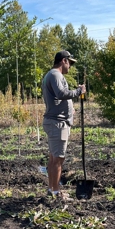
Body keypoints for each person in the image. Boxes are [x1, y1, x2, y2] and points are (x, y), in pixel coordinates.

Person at [42, 50, 86, 199]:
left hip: (57, 122)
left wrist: (69, 109)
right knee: (57, 159)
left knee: (54, 158)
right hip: (57, 124)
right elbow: (61, 93)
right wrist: (79, 91)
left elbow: (58, 97)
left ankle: (52, 189)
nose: (70, 67)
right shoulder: (55, 75)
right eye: (70, 63)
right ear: (64, 61)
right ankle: (55, 192)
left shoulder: (54, 76)